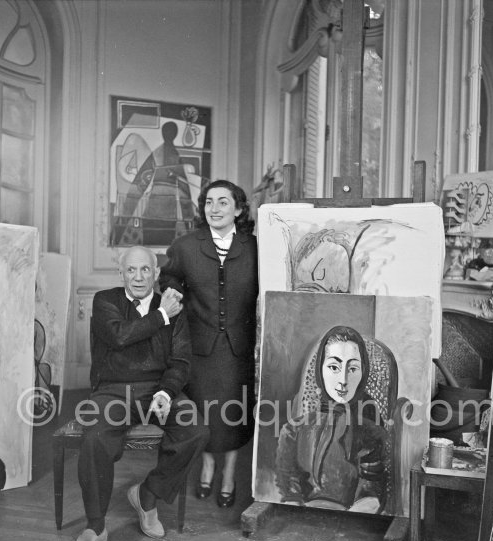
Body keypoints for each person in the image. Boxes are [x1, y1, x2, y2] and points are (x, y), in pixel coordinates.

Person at [68, 246, 209, 541]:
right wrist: (161, 316)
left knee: (196, 430)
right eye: (131, 270)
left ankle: (147, 495)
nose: (138, 276)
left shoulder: (173, 307)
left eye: (145, 269)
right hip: (113, 390)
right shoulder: (106, 301)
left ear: (156, 274)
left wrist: (165, 392)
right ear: (121, 274)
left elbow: (182, 361)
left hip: (158, 388)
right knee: (95, 437)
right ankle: (95, 527)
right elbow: (119, 335)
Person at [159, 179, 258, 508]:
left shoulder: (255, 247)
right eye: (209, 202)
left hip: (238, 346)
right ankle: (208, 466)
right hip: (199, 346)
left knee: (233, 413)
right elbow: (170, 276)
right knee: (205, 413)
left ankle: (229, 471)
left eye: (223, 202)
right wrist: (171, 289)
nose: (214, 209)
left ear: (239, 209)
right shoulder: (186, 245)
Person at [275, 326, 388, 513]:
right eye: (334, 367)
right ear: (320, 369)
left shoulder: (372, 432)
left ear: (363, 371)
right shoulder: (293, 431)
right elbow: (289, 486)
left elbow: (371, 491)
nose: (343, 380)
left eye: (352, 368)